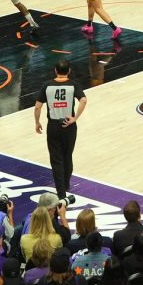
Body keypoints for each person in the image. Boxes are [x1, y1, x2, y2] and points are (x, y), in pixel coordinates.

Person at [35, 58, 87, 203]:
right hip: (69, 126)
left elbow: (38, 106)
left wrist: (37, 122)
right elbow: (83, 100)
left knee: (56, 160)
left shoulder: (47, 86)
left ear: (55, 71)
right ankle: (66, 184)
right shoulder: (73, 85)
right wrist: (75, 118)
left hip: (53, 127)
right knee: (67, 156)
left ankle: (61, 193)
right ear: (69, 71)